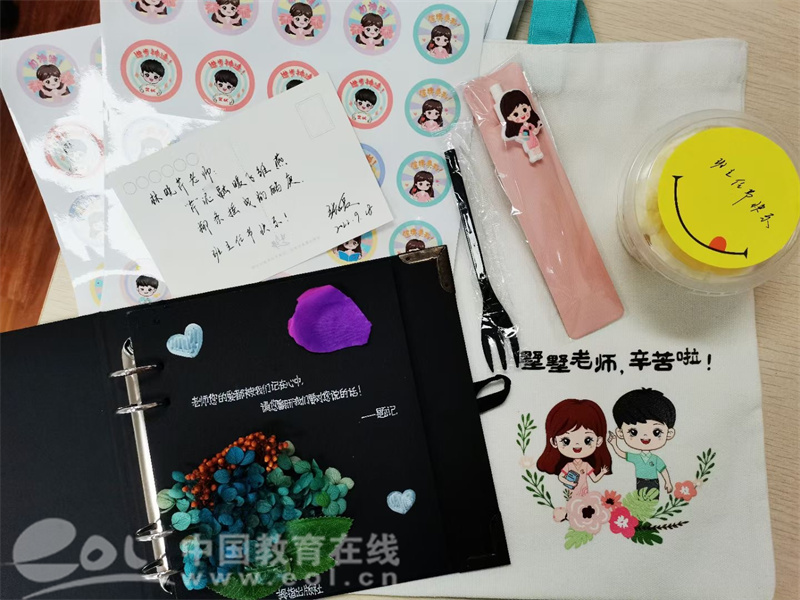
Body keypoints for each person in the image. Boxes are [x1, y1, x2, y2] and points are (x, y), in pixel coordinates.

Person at [608, 388, 676, 498]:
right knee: (641, 500)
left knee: (653, 501)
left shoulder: (655, 459)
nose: (645, 437)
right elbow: (622, 454)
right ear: (620, 433)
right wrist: (614, 444)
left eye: (656, 432)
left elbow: (663, 470)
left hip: (653, 482)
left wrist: (668, 482)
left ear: (669, 433)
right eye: (633, 432)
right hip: (640, 481)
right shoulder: (636, 458)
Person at [536, 399, 612, 498]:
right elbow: (561, 477)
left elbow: (594, 479)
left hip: (584, 495)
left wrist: (602, 473)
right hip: (570, 495)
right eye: (566, 441)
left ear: (598, 441)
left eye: (587, 440)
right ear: (554, 442)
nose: (577, 445)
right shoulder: (568, 465)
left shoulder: (586, 465)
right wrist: (569, 483)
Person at [498, 89, 544, 162]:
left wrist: (537, 127)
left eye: (524, 109)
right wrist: (526, 136)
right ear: (509, 117)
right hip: (529, 142)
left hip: (534, 140)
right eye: (516, 114)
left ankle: (538, 154)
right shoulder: (522, 128)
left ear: (529, 107)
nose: (522, 114)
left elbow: (534, 131)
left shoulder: (529, 124)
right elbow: (523, 137)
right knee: (532, 149)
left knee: (536, 147)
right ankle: (533, 156)